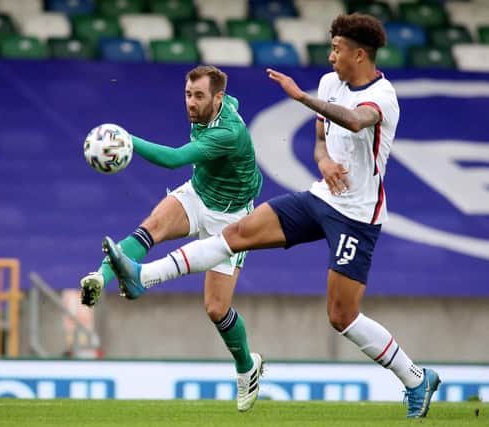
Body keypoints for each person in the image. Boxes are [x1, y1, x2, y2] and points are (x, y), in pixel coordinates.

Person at [103, 14, 441, 419]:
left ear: (360, 54)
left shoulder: (383, 96)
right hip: (320, 199)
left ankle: (416, 378)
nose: (331, 56)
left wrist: (299, 97)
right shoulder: (331, 83)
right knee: (238, 232)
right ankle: (143, 277)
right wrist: (325, 162)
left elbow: (354, 120)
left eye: (337, 49)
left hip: (358, 218)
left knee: (341, 316)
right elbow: (321, 141)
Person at [80, 65, 264, 411]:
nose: (191, 103)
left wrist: (127, 141)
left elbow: (174, 159)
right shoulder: (221, 104)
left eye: (198, 96)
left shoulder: (229, 133)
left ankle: (246, 368)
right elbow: (232, 100)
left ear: (217, 98)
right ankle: (100, 277)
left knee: (215, 308)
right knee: (151, 227)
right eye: (187, 94)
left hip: (232, 217)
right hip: (198, 193)